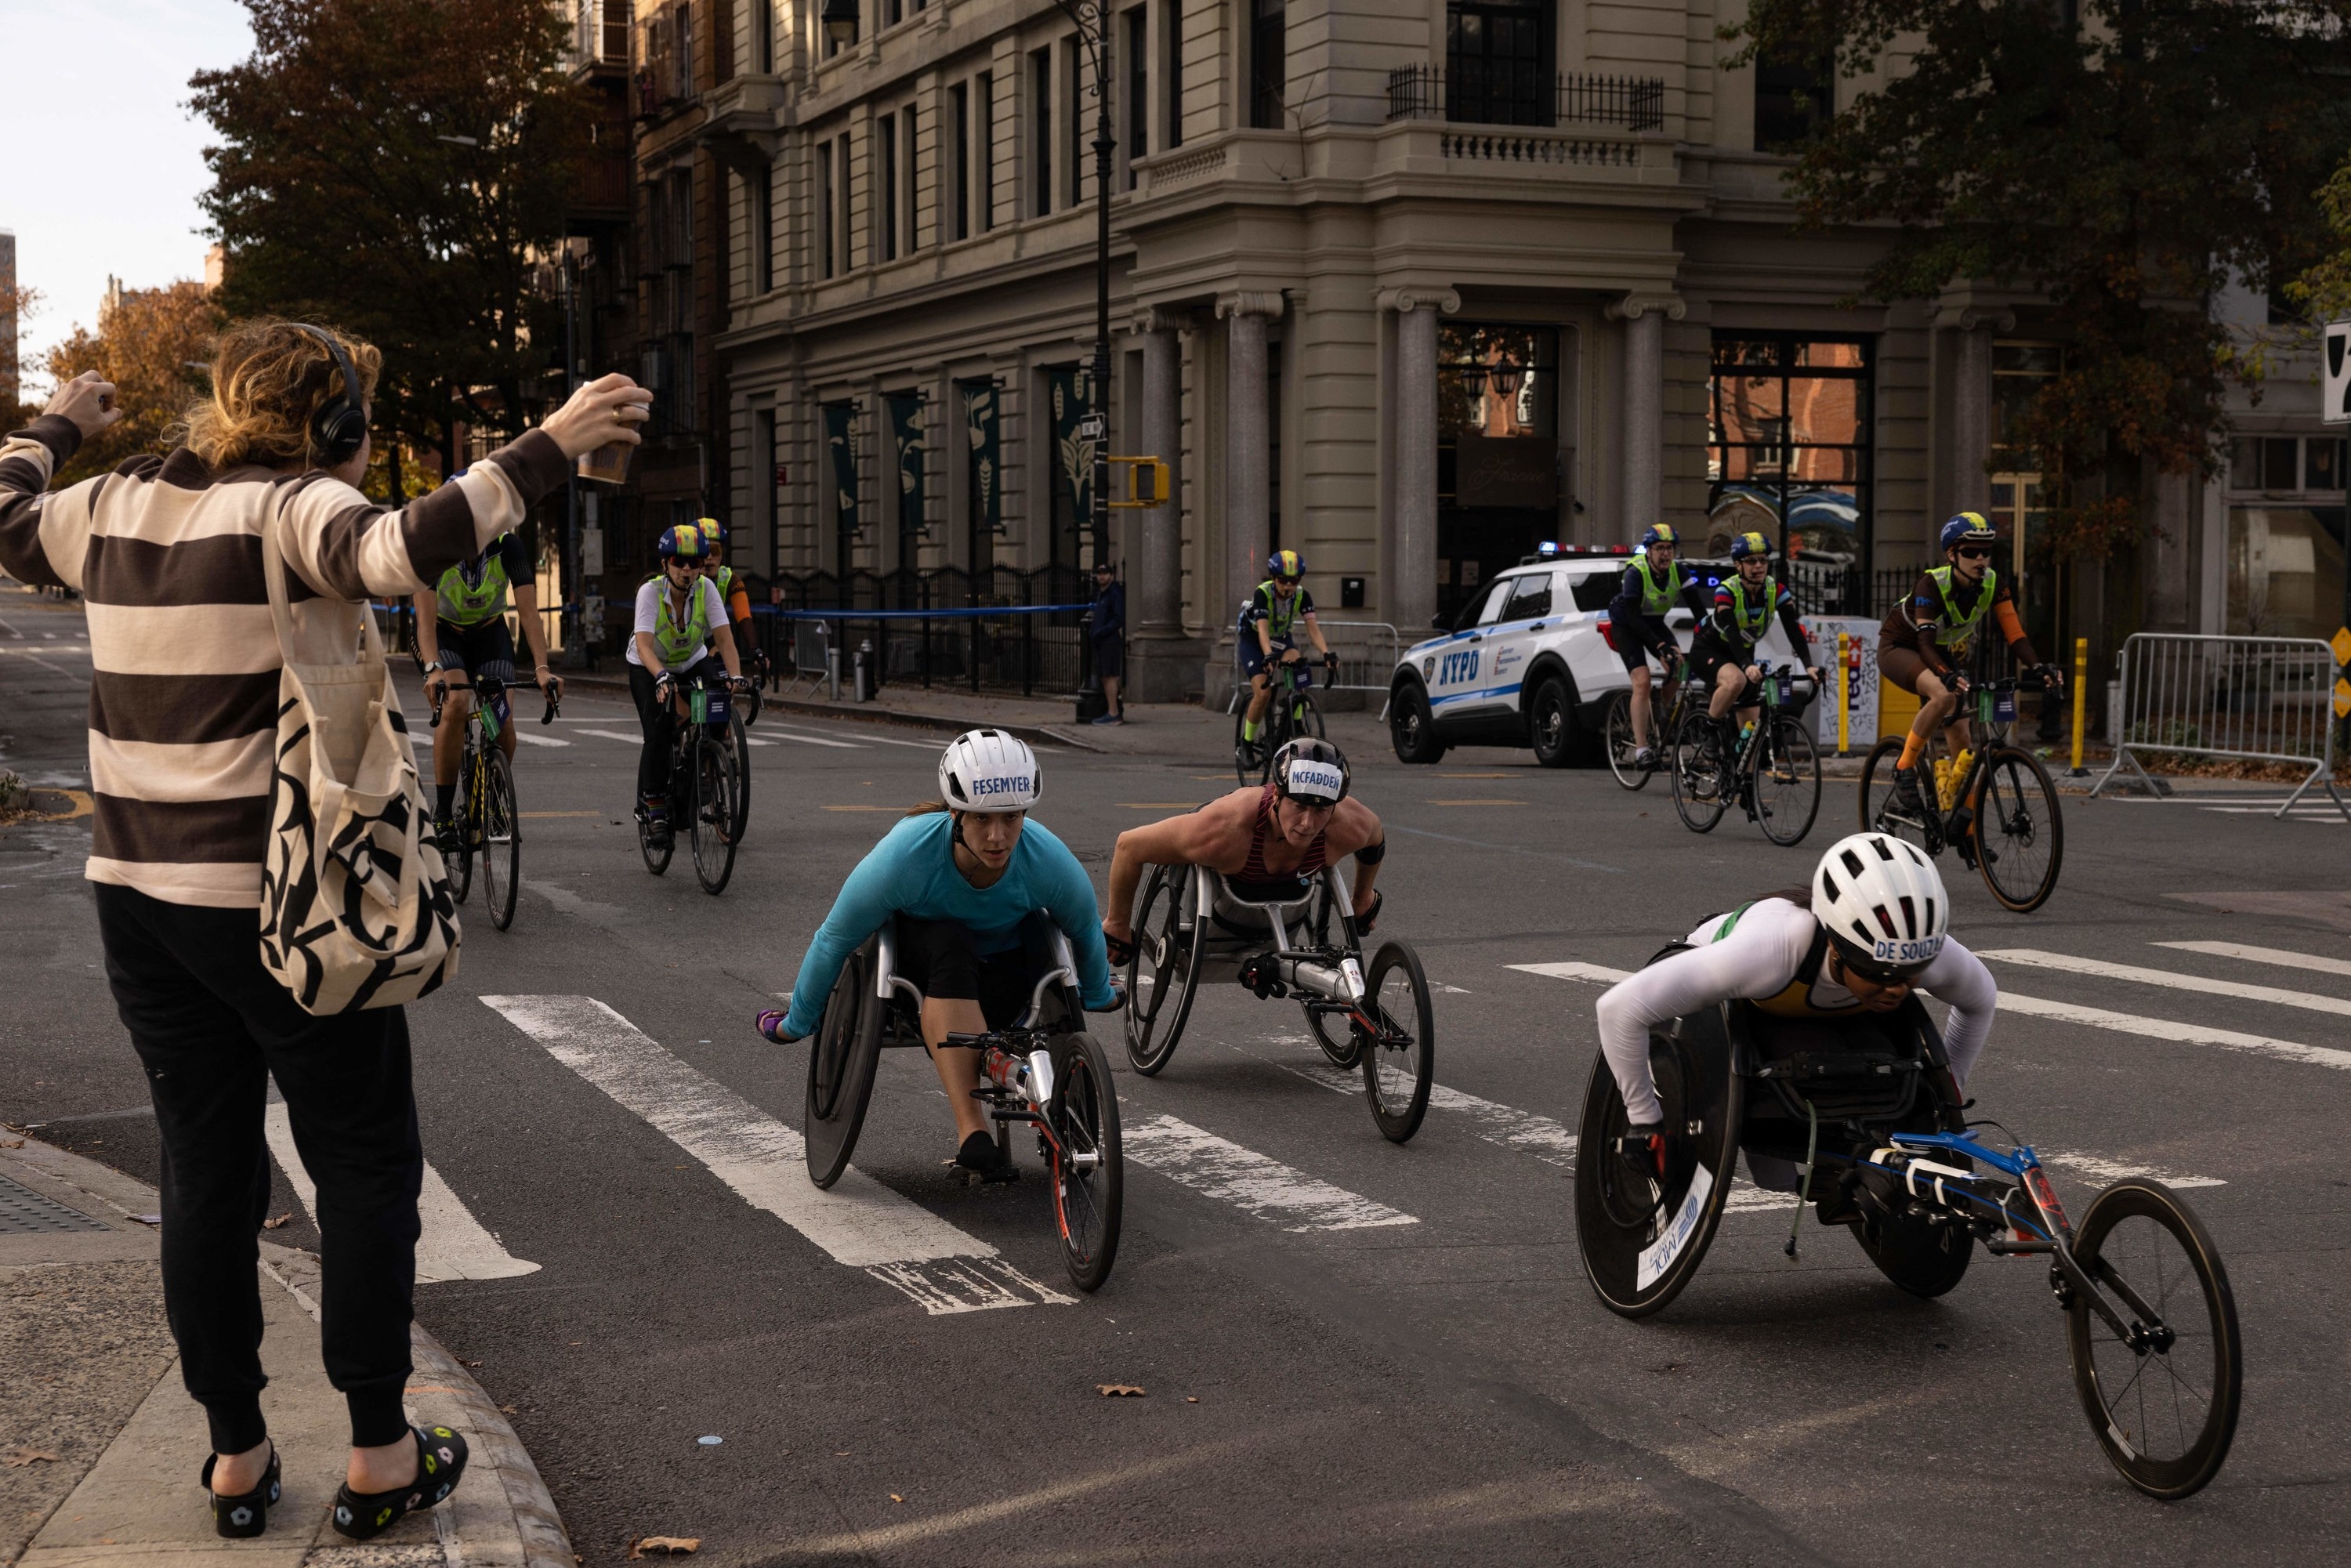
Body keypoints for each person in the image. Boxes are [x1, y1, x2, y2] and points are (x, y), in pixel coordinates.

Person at [0, 325, 647, 1539]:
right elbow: (405, 551)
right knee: (358, 1164)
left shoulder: (113, 502)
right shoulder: (286, 510)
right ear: (336, 427)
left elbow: (4, 502)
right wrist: (549, 446)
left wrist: (61, 423)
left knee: (206, 1169)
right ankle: (378, 1451)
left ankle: (236, 1455)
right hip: (284, 907)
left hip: (136, 898)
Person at [756, 730, 1118, 1179]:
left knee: (1039, 933)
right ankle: (973, 1134)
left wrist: (1098, 994)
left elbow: (1082, 928)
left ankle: (1054, 1108)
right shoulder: (906, 855)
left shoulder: (1047, 859)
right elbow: (835, 939)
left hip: (1008, 981)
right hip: (922, 980)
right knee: (951, 939)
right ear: (955, 812)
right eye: (982, 819)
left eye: (1011, 818)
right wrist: (799, 1021)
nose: (997, 837)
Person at [1592, 832, 1996, 1186]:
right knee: (1774, 1174)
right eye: (1880, 972)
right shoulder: (1768, 951)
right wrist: (1645, 1121)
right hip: (1748, 997)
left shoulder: (1919, 947)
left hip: (1822, 1005)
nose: (1896, 989)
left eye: (1912, 974)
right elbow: (1618, 1010)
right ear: (1837, 945)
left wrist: (1951, 1088)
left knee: (1889, 1077)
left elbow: (1979, 1000)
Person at [1103, 738, 1386, 963]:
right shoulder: (1223, 831)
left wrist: (1361, 898)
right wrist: (1117, 924)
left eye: (1321, 810)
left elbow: (1375, 839)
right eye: (1299, 806)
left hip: (1288, 901)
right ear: (1276, 794)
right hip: (1227, 900)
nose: (1308, 823)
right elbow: (1129, 846)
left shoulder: (1349, 826)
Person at [1878, 512, 2063, 817]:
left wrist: (2038, 667)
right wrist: (1947, 676)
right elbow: (1924, 643)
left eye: (1986, 552)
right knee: (1943, 695)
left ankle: (1963, 823)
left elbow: (2015, 635)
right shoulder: (1931, 584)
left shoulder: (1994, 584)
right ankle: (1904, 767)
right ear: (1952, 554)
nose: (1980, 559)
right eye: (1970, 552)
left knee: (1962, 736)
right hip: (1901, 647)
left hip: (1939, 651)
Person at [411, 499, 562, 846]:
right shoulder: (432, 548)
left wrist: (542, 669)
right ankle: (445, 815)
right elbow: (425, 621)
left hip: (489, 634)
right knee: (458, 704)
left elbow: (528, 612)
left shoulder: (508, 546)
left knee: (503, 722)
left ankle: (488, 798)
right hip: (442, 633)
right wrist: (434, 671)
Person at [626, 524, 750, 847]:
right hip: (649, 665)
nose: (687, 569)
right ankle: (654, 809)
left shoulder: (706, 588)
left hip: (691, 660)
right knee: (660, 729)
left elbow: (724, 639)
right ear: (665, 564)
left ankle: (703, 764)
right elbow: (644, 646)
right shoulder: (649, 593)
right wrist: (661, 676)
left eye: (694, 563)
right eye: (679, 562)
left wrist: (736, 677)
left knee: (718, 705)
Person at [1687, 531, 1824, 760]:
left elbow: (1793, 630)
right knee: (1736, 680)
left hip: (1744, 654)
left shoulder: (1776, 591)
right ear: (1738, 565)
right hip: (1710, 649)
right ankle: (1710, 729)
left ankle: (1745, 789)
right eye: (1752, 561)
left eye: (1763, 560)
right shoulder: (1726, 590)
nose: (1759, 566)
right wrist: (1746, 665)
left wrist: (1809, 666)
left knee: (1751, 740)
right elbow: (1731, 632)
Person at [1605, 523, 1710, 767]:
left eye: (1670, 549)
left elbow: (1698, 610)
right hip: (1627, 624)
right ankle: (1642, 749)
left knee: (1678, 665)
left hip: (1653, 621)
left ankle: (1659, 708)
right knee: (1641, 681)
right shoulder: (1635, 572)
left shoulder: (1679, 572)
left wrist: (1710, 635)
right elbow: (1633, 618)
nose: (1665, 554)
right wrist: (1659, 644)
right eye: (1660, 548)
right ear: (1649, 551)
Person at [1237, 549, 1335, 761]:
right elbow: (1262, 630)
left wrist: (1327, 653)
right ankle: (1246, 742)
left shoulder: (1301, 595)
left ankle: (1296, 717)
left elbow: (1313, 628)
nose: (1289, 586)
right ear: (1274, 578)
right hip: (1253, 640)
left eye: (1294, 580)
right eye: (1283, 580)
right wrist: (1269, 656)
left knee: (1299, 666)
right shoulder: (1262, 593)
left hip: (1280, 638)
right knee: (1263, 694)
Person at [694, 516, 764, 680]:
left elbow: (744, 617)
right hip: (680, 642)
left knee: (721, 679)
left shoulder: (729, 579)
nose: (710, 557)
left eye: (716, 551)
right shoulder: (685, 577)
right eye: (705, 551)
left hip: (710, 639)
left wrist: (755, 648)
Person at [1089, 559, 1126, 725]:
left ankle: (1114, 713)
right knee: (1105, 676)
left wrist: (1101, 632)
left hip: (1109, 641)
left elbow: (1118, 619)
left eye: (1105, 574)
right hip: (1102, 641)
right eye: (1099, 574)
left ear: (1111, 576)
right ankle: (1112, 711)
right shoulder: (1102, 593)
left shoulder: (1114, 593)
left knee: (1110, 676)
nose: (1101, 577)